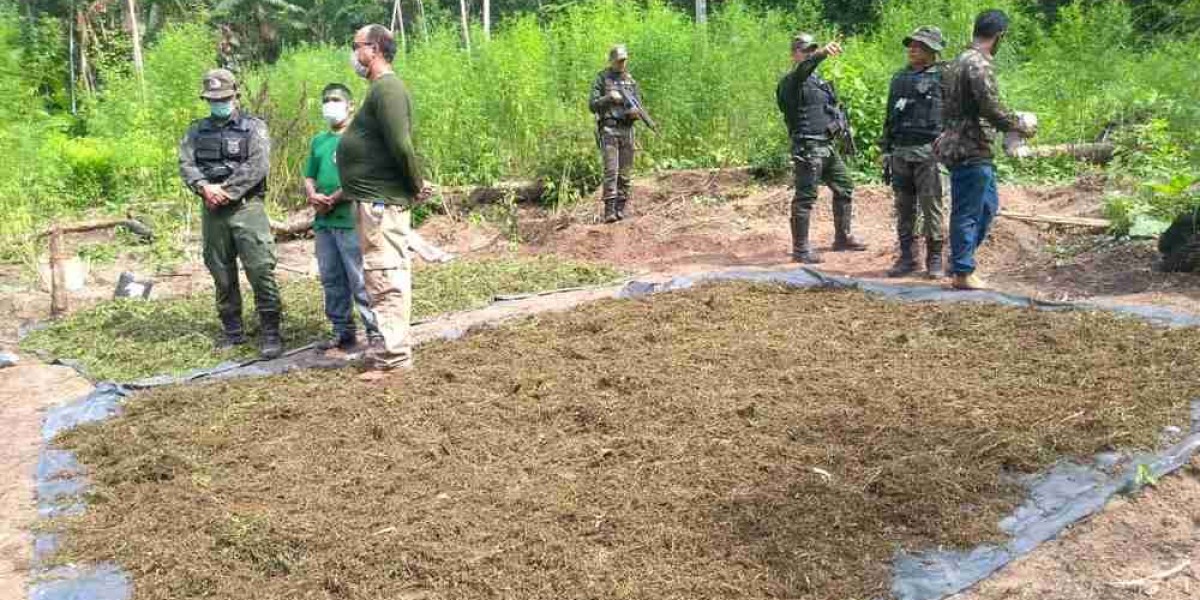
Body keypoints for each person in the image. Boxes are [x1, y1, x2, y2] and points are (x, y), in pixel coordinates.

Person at [178, 68, 282, 359]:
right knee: (220, 271)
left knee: (260, 268)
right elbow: (186, 164)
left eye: (223, 98)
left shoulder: (254, 127)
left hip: (247, 208)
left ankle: (271, 331)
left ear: (235, 96)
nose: (218, 103)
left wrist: (226, 191)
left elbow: (258, 164)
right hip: (212, 211)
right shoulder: (196, 131)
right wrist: (203, 188)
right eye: (212, 99)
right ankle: (233, 330)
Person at [341, 24, 427, 371]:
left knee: (385, 276)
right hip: (373, 203)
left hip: (380, 206)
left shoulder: (388, 89)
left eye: (356, 46)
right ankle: (390, 351)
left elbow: (401, 145)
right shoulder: (378, 90)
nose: (353, 54)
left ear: (373, 49)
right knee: (380, 275)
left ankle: (394, 358)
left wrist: (415, 185)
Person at [936, 9, 1036, 290]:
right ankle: (963, 271)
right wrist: (1019, 126)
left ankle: (959, 261)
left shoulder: (956, 62)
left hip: (964, 142)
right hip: (970, 145)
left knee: (988, 206)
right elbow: (990, 107)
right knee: (968, 210)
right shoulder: (978, 64)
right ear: (999, 36)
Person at [304, 83, 383, 351]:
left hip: (350, 217)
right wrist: (313, 195)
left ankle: (375, 331)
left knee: (359, 277)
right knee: (331, 277)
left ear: (350, 105)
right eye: (326, 100)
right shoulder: (319, 141)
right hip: (323, 221)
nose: (330, 104)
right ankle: (342, 331)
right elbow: (309, 175)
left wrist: (334, 198)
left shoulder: (359, 138)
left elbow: (360, 177)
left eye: (336, 100)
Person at [776, 33, 867, 264]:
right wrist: (822, 53)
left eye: (811, 50)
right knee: (805, 197)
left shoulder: (817, 82)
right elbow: (804, 68)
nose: (808, 54)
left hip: (825, 146)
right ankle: (801, 249)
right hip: (808, 147)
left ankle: (843, 237)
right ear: (794, 54)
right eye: (804, 50)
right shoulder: (791, 81)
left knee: (844, 185)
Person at [882, 26, 946, 278]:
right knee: (904, 207)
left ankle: (935, 259)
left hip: (930, 152)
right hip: (901, 152)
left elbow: (956, 114)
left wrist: (949, 140)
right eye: (911, 44)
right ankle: (908, 258)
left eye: (918, 45)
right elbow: (889, 116)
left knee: (932, 207)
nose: (912, 49)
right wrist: (886, 149)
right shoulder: (899, 78)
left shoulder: (943, 77)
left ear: (932, 50)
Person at [589, 44, 643, 223]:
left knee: (625, 171)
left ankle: (621, 208)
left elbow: (638, 105)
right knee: (611, 170)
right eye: (619, 61)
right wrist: (609, 97)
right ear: (611, 60)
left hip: (627, 129)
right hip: (609, 129)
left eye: (624, 60)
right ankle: (609, 210)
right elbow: (592, 104)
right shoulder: (602, 78)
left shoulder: (630, 81)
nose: (622, 64)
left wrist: (635, 114)